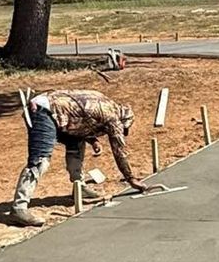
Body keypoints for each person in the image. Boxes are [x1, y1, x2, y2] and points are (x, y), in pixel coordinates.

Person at [10, 88, 147, 226]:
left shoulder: (106, 102)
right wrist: (131, 179)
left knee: (77, 142)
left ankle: (79, 187)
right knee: (40, 161)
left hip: (54, 109)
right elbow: (119, 151)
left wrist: (93, 140)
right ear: (123, 120)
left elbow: (82, 116)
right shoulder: (114, 118)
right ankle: (19, 208)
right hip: (45, 112)